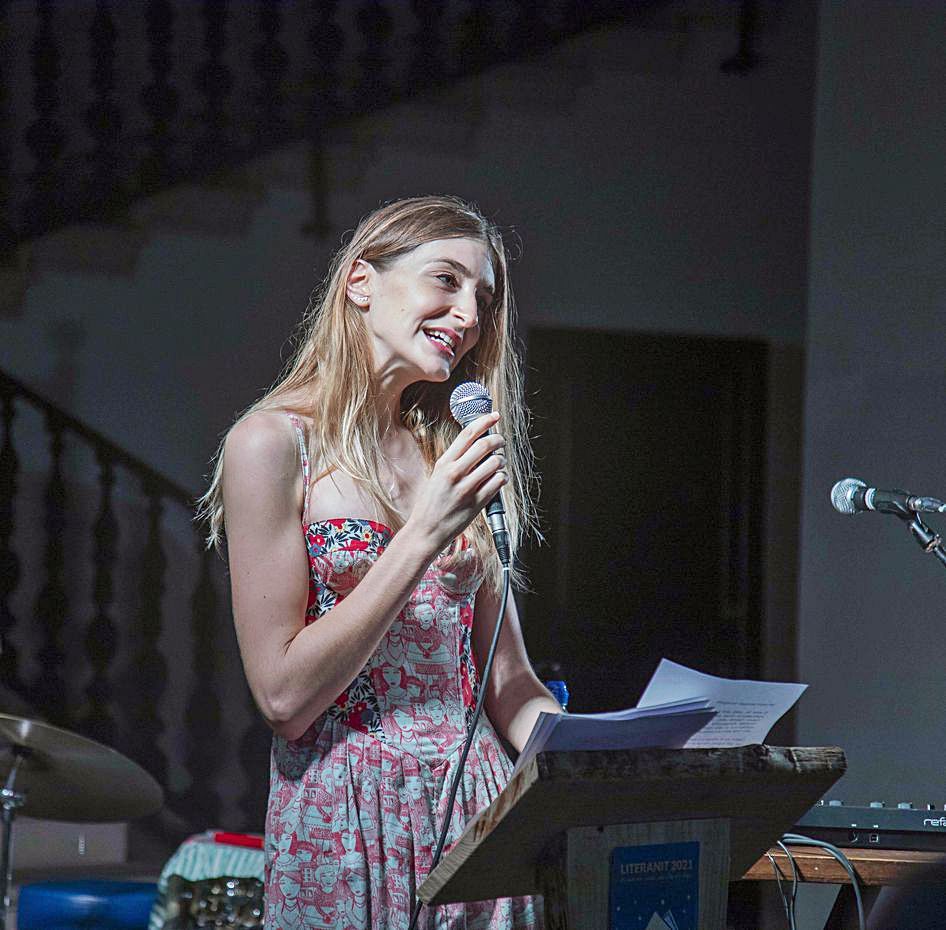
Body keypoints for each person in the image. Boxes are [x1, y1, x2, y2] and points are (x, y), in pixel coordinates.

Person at [198, 195, 562, 929]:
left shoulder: (445, 451)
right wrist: (421, 537)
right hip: (350, 814)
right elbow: (283, 699)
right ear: (361, 282)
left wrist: (591, 758)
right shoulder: (271, 445)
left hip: (479, 808)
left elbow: (510, 680)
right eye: (447, 280)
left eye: (484, 299)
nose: (469, 315)